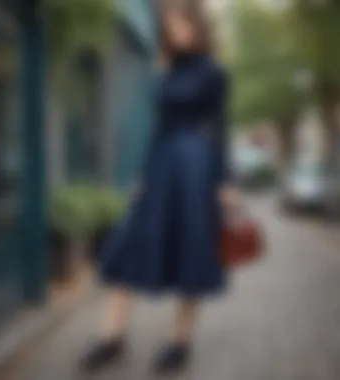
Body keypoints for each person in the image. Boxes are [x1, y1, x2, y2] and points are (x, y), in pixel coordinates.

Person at [82, 5, 231, 373]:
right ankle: (111, 336)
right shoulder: (164, 70)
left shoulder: (214, 71)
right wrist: (142, 175)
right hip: (163, 166)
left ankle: (179, 342)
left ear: (197, 25)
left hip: (196, 169)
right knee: (126, 245)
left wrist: (224, 180)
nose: (176, 30)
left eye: (182, 23)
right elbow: (157, 129)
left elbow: (220, 126)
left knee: (192, 251)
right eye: (170, 25)